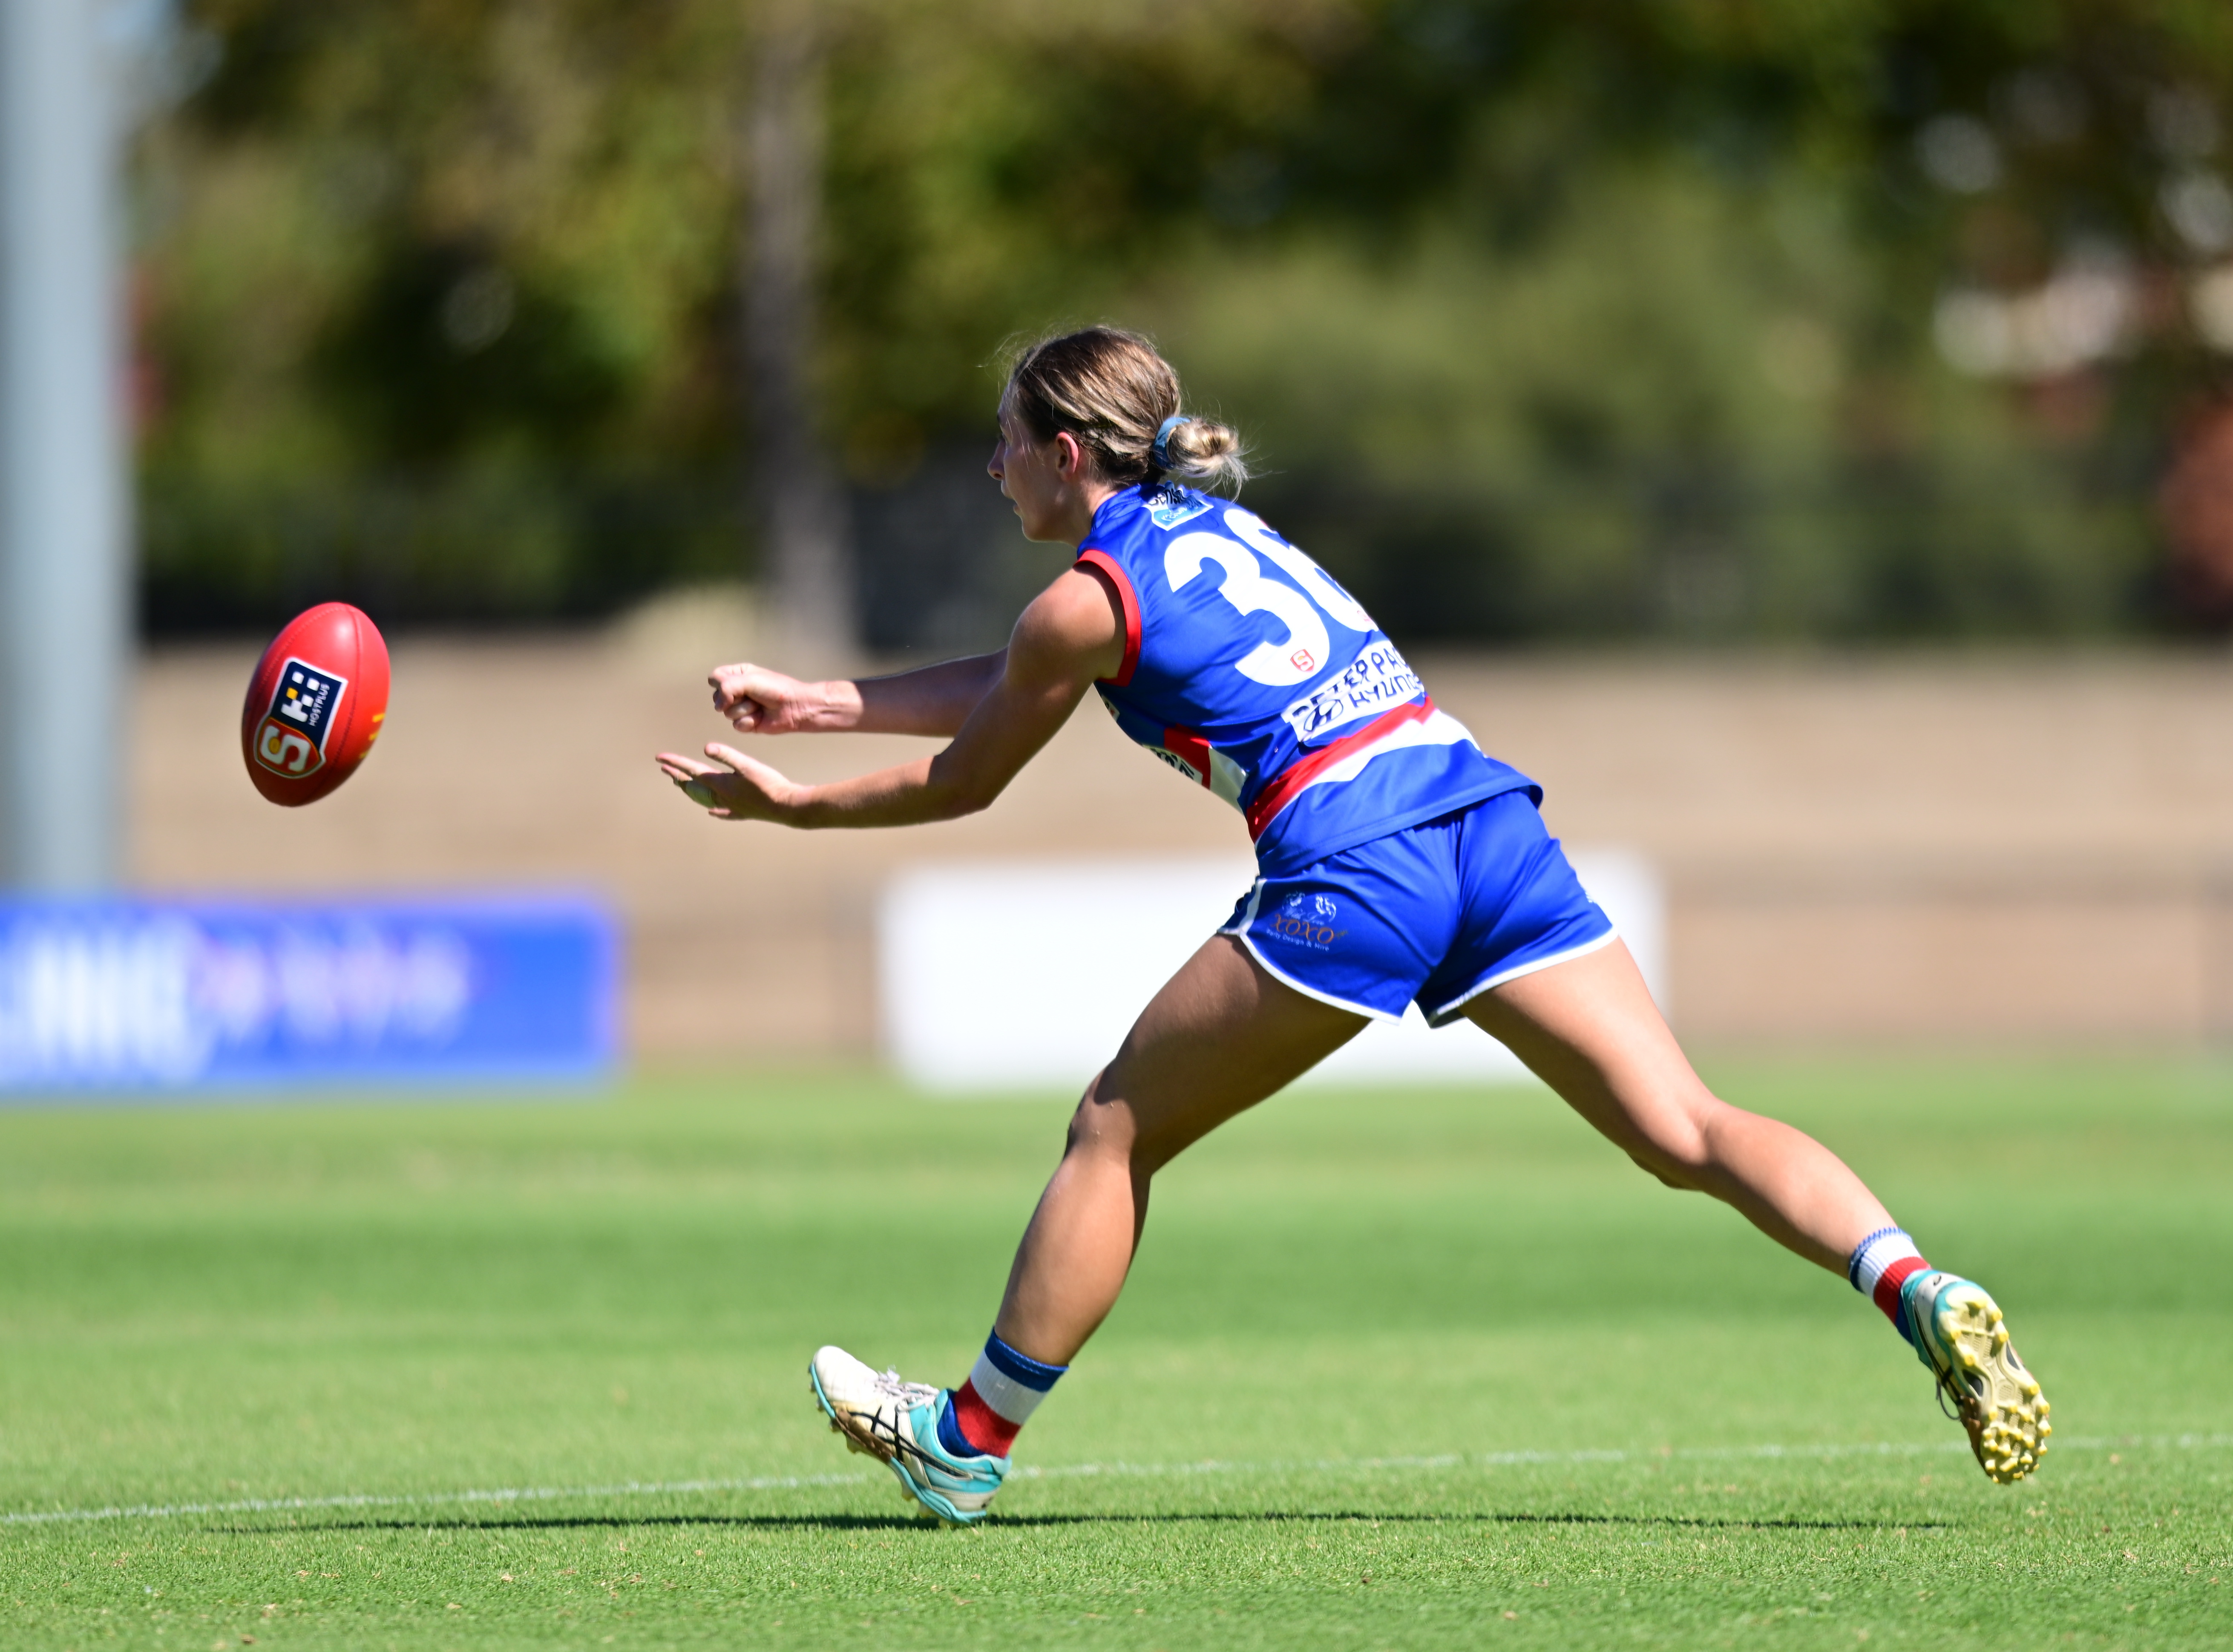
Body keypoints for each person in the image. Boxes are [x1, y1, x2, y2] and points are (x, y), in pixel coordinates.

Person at [655, 326, 2048, 1526]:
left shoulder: (1079, 600)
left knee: (1115, 1132)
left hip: (1357, 869)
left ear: (1071, 451)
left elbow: (970, 775)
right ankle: (1909, 1283)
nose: (991, 465)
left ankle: (966, 1446)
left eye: (1007, 440)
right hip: (1483, 822)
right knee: (1682, 1125)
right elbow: (1031, 669)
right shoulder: (1217, 526)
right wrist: (830, 701)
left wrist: (792, 809)